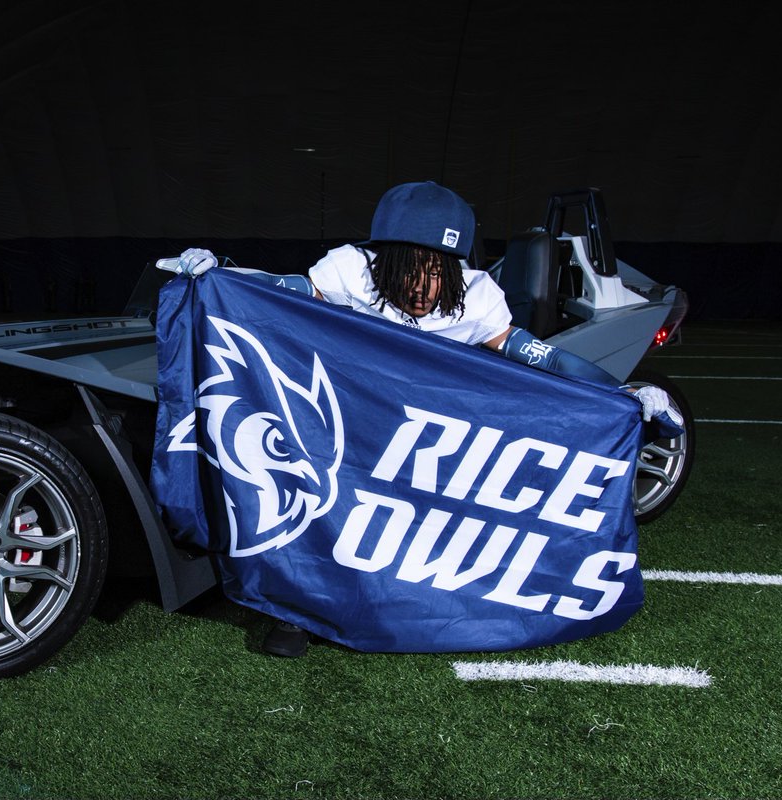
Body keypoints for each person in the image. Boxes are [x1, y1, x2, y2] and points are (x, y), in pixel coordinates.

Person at [160, 180, 679, 658]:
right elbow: (283, 291)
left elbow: (541, 358)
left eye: (438, 270)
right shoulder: (350, 270)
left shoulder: (476, 296)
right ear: (383, 258)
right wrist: (223, 273)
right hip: (351, 428)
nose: (424, 285)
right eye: (412, 266)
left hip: (420, 438)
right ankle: (299, 610)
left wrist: (622, 390)